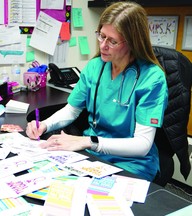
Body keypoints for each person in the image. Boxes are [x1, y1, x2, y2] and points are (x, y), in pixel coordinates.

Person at [26, 1, 168, 182]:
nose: (103, 46)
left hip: (132, 163)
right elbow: (72, 109)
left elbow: (142, 145)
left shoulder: (152, 78)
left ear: (133, 42)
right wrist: (44, 125)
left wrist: (87, 142)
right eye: (101, 36)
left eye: (112, 41)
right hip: (93, 156)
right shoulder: (95, 67)